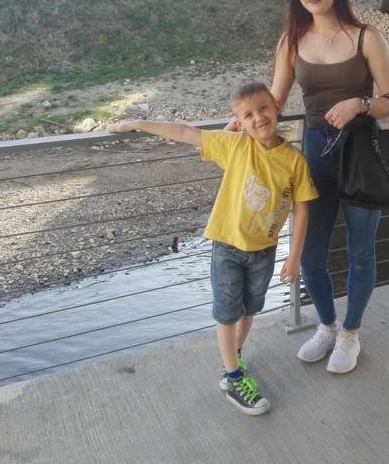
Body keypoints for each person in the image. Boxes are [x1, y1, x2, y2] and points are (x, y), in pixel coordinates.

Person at [108, 82, 318, 415]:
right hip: (227, 248)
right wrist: (136, 124)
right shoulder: (235, 145)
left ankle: (232, 360)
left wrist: (294, 258)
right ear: (239, 123)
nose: (258, 118)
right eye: (248, 115)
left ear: (276, 107)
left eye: (263, 108)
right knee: (227, 312)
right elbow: (185, 132)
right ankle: (233, 377)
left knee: (249, 309)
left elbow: (302, 209)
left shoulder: (294, 160)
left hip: (264, 251)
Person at [271, 0, 389, 374]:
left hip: (362, 155)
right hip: (315, 159)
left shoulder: (367, 36)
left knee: (360, 251)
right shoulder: (291, 41)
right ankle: (327, 326)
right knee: (311, 255)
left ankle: (351, 333)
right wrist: (245, 118)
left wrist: (359, 104)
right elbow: (274, 102)